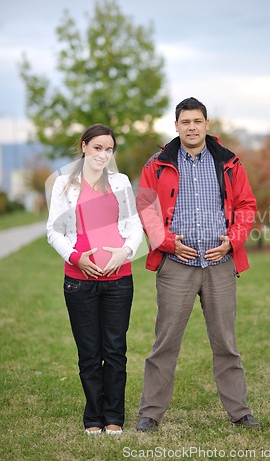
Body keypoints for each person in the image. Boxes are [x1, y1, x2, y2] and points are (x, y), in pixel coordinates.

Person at [136, 97, 259, 431]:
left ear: (207, 124)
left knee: (226, 344)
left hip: (219, 265)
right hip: (176, 265)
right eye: (185, 122)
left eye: (197, 121)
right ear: (175, 126)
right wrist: (165, 241)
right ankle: (150, 413)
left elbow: (247, 204)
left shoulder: (228, 161)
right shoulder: (158, 163)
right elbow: (146, 208)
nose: (191, 127)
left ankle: (240, 412)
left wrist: (232, 241)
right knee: (165, 343)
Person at [46, 124, 143, 435]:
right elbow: (54, 231)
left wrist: (124, 252)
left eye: (109, 149)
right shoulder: (63, 184)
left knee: (115, 350)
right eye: (98, 147)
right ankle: (93, 417)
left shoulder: (121, 182)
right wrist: (77, 258)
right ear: (84, 146)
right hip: (79, 281)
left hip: (119, 279)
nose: (104, 154)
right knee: (89, 352)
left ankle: (114, 417)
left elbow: (134, 225)